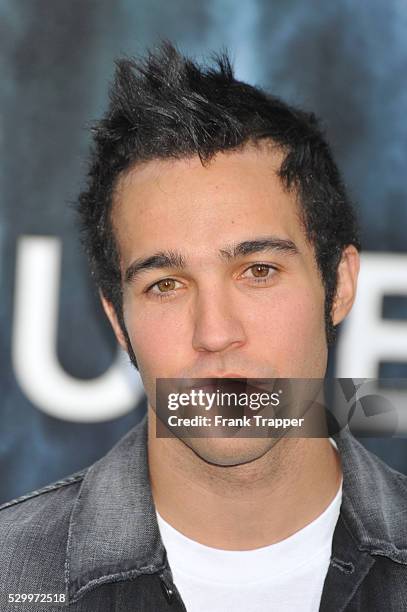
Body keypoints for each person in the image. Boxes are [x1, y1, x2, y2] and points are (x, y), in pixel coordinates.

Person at [1, 41, 406, 612]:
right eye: (165, 284)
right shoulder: (11, 576)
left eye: (258, 271)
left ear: (338, 285)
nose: (214, 333)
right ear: (118, 321)